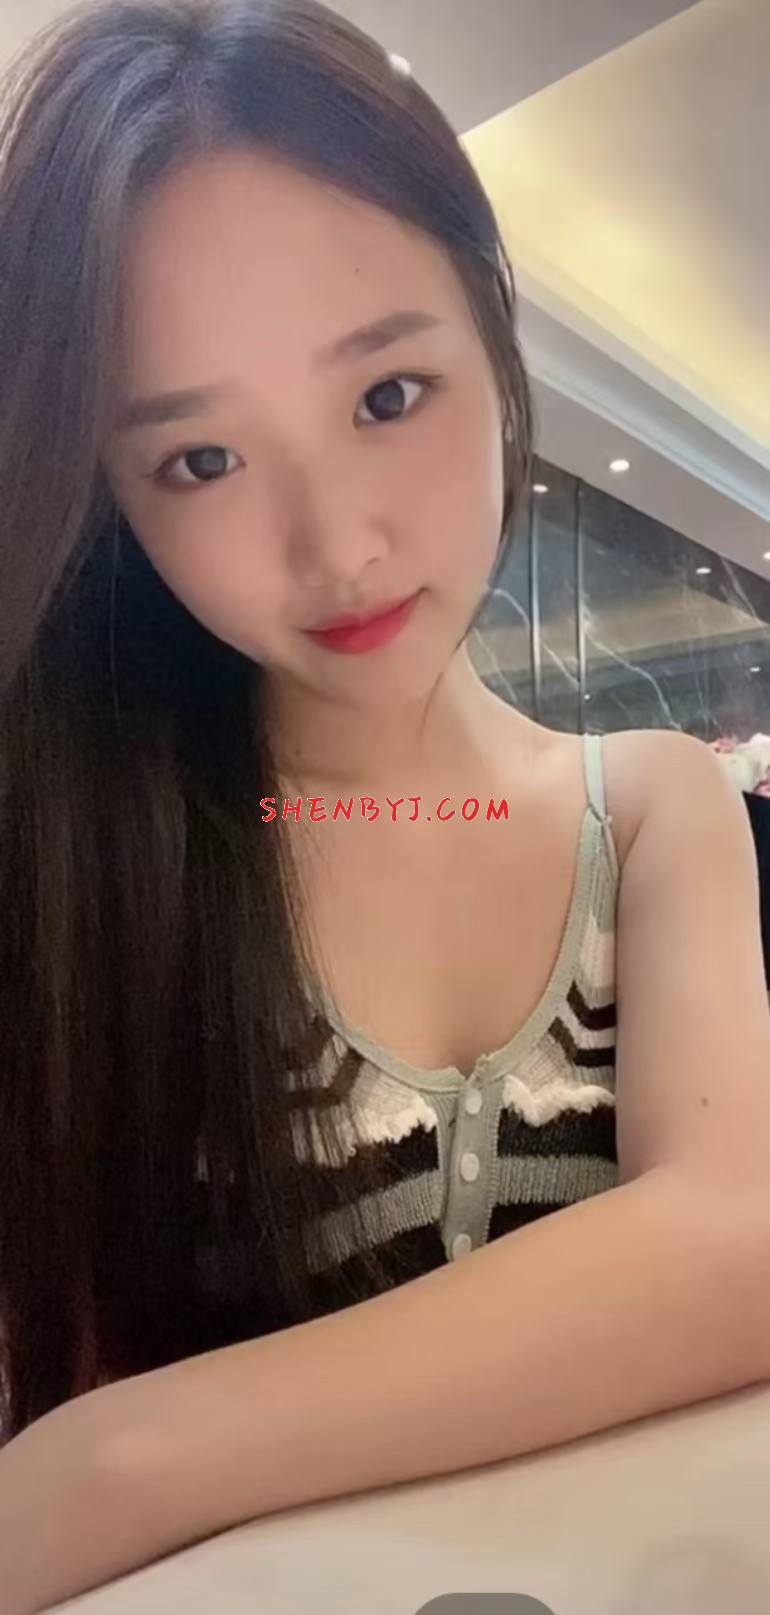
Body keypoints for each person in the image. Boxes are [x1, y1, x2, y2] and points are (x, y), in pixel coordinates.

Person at [0, 0, 768, 1607]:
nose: (335, 547)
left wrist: (114, 1459)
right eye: (200, 461)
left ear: (492, 337)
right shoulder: (87, 874)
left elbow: (735, 1243)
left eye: (386, 395)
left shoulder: (644, 811)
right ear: (114, 497)